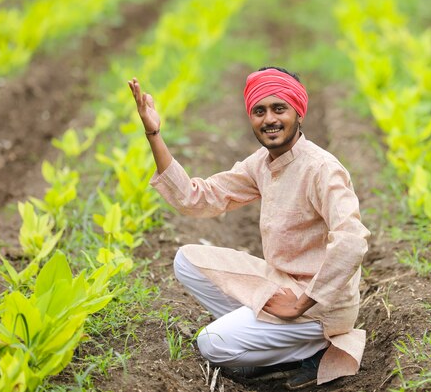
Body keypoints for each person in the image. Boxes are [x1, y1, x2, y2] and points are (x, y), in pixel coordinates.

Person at [128, 67, 370, 389]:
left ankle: (312, 351)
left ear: (298, 112)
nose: (269, 119)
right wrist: (154, 135)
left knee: (211, 342)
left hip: (321, 306)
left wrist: (301, 302)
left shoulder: (322, 169)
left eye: (279, 108)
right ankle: (277, 342)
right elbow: (196, 199)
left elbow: (351, 242)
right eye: (259, 111)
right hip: (283, 284)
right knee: (186, 260)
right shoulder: (261, 163)